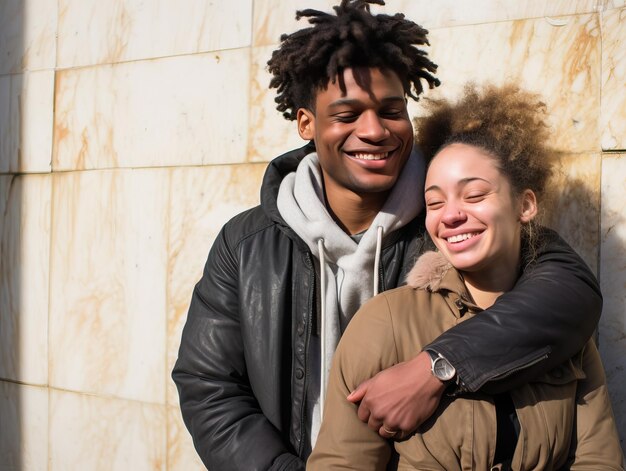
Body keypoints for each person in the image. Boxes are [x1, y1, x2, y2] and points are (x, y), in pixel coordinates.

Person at [172, 2, 602, 470]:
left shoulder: (450, 228)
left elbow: (568, 291)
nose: (374, 130)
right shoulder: (246, 244)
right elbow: (208, 385)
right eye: (348, 114)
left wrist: (435, 369)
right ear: (306, 123)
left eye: (391, 110)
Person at [308, 84, 624, 470]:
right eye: (435, 202)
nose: (451, 214)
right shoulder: (384, 322)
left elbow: (597, 459)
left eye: (473, 195)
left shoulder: (565, 333)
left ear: (524, 205)